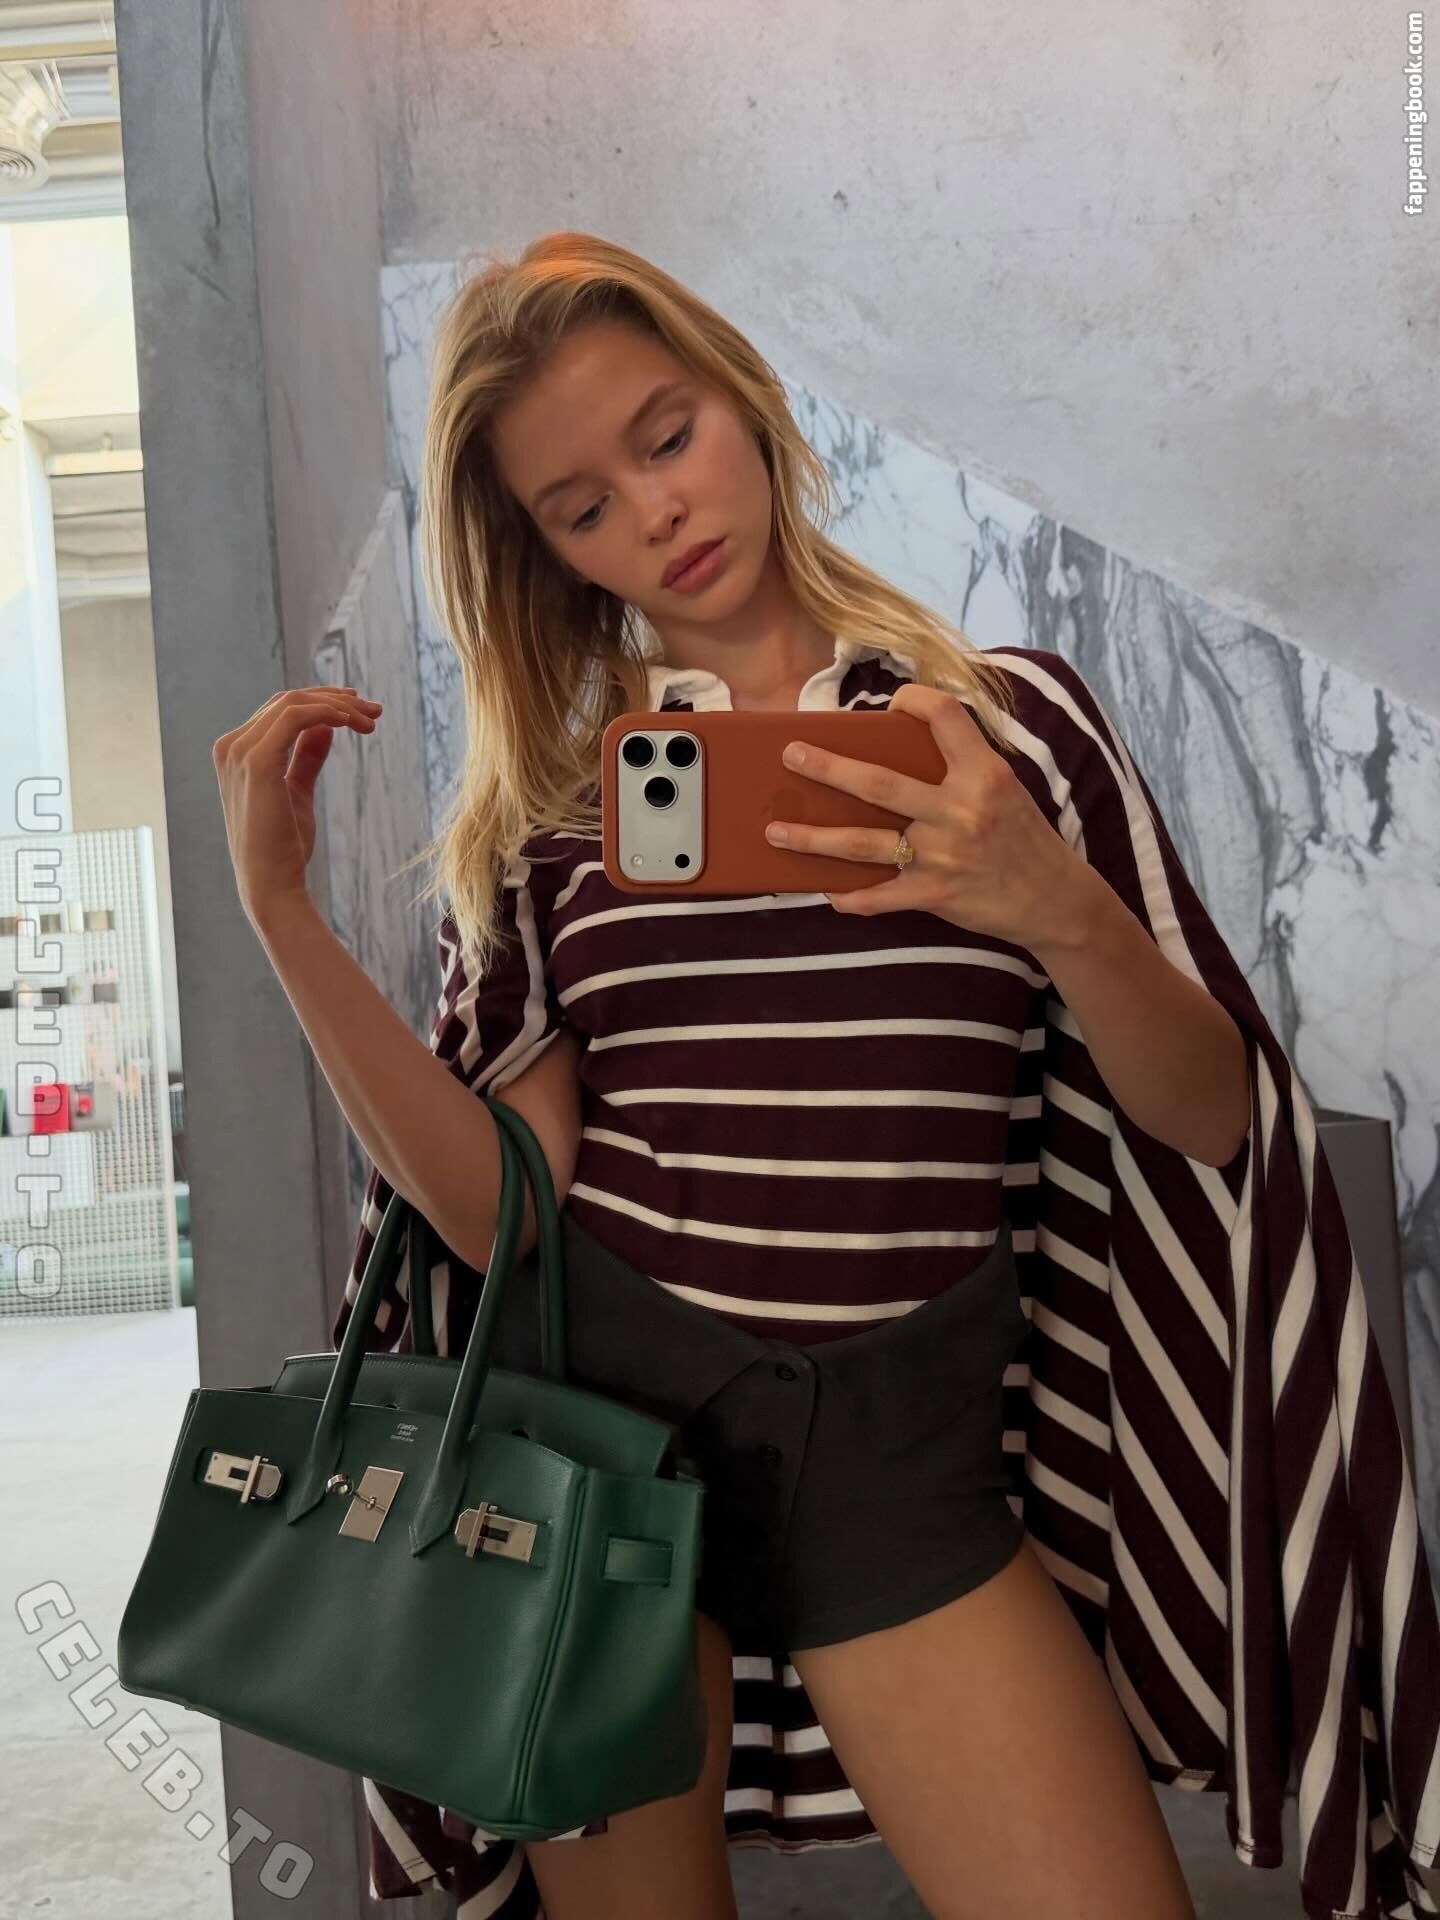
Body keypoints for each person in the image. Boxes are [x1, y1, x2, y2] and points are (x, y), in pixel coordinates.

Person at [213, 232, 1440, 1920]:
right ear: (547, 555)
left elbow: (1217, 1121)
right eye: (582, 507)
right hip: (602, 1462)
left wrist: (1048, 904)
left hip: (900, 1458)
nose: (656, 511)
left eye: (667, 434)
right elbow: (503, 1216)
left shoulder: (1007, 733)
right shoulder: (555, 823)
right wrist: (281, 917)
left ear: (748, 402)